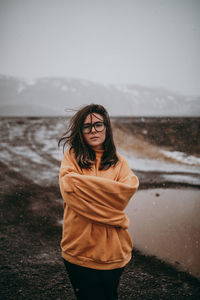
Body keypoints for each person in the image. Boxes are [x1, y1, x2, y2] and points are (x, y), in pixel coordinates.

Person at [58, 104, 139, 300]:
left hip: (114, 252)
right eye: (87, 126)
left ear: (106, 128)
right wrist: (110, 195)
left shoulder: (120, 163)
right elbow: (69, 186)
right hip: (78, 250)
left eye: (98, 124)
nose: (93, 130)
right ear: (81, 131)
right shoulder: (72, 157)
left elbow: (125, 193)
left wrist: (87, 190)